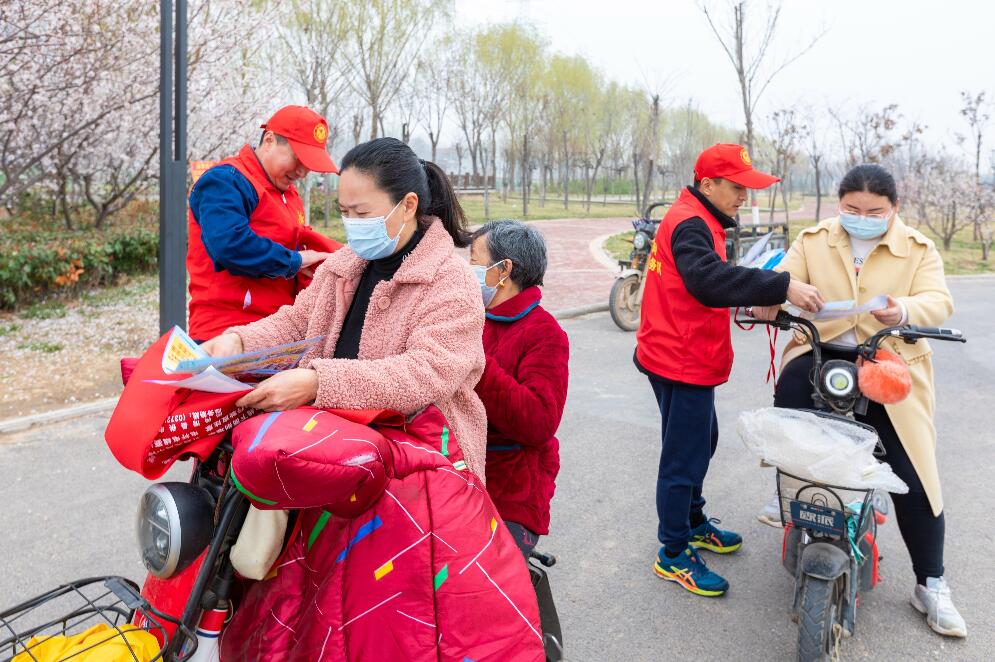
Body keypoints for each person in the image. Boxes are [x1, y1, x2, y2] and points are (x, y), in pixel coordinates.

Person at [752, 164, 966, 637]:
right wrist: (777, 293)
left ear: (894, 208)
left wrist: (905, 309)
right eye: (852, 209)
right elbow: (783, 277)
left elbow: (939, 300)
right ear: (839, 204)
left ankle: (931, 583)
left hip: (887, 361)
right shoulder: (815, 240)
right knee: (792, 387)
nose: (861, 218)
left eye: (874, 211)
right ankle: (789, 481)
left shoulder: (918, 249)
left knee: (913, 473)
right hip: (821, 350)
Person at [199, 137, 489, 479]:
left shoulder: (450, 280)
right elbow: (297, 322)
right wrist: (238, 343)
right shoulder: (344, 264)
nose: (352, 223)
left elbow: (426, 373)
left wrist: (318, 383)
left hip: (418, 467)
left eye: (362, 213)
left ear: (408, 206)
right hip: (333, 450)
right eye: (344, 212)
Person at [635, 143, 825, 597]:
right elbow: (708, 281)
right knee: (684, 457)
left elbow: (705, 279)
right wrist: (782, 285)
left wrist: (755, 292)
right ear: (708, 185)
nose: (744, 196)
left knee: (702, 441)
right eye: (737, 187)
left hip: (678, 350)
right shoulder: (691, 223)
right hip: (679, 358)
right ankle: (673, 551)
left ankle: (692, 520)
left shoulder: (699, 218)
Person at [186, 105, 340, 341]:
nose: (302, 172)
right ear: (269, 140)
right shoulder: (226, 181)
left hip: (276, 332)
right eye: (298, 159)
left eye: (309, 165)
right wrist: (295, 261)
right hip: (226, 331)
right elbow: (230, 244)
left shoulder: (289, 194)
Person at [470, 220, 570, 557]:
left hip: (514, 484)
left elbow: (539, 423)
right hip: (460, 468)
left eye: (475, 262)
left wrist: (479, 365)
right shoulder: (471, 317)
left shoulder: (545, 333)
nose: (468, 271)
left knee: (484, 578)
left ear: (503, 270)